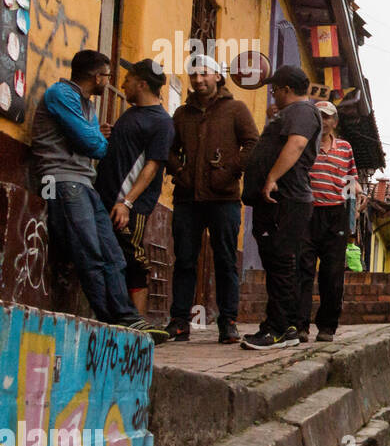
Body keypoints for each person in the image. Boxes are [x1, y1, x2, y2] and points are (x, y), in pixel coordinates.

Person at [30, 49, 167, 339]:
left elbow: (95, 140)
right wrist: (101, 141)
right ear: (97, 76)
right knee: (89, 250)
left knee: (113, 253)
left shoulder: (88, 106)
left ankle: (127, 317)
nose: (111, 81)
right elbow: (94, 144)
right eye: (107, 76)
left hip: (84, 183)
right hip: (62, 180)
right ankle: (110, 319)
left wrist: (100, 139)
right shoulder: (61, 95)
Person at [166, 54, 259, 344]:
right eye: (193, 75)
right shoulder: (182, 114)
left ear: (218, 76)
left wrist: (230, 172)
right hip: (187, 199)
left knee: (225, 261)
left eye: (204, 74)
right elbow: (167, 148)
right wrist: (180, 172)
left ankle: (228, 322)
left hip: (224, 199)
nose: (198, 80)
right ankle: (180, 322)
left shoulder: (236, 109)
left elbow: (253, 143)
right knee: (184, 261)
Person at [240, 66, 321, 350]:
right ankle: (285, 327)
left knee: (282, 262)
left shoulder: (302, 111)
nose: (273, 93)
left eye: (276, 88)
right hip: (279, 200)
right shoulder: (291, 113)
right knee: (277, 263)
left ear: (286, 89)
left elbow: (297, 144)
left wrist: (272, 177)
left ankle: (275, 329)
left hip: (285, 199)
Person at [94, 59, 175, 316]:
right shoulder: (132, 113)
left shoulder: (162, 122)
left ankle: (136, 325)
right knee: (107, 257)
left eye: (128, 80)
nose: (123, 83)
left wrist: (127, 202)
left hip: (128, 206)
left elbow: (152, 166)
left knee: (132, 259)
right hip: (106, 199)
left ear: (141, 84)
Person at [296, 100, 363, 344]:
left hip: (336, 215)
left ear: (335, 122)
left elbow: (350, 179)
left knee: (332, 274)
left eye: (328, 117)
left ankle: (327, 327)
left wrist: (356, 198)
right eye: (319, 116)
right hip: (308, 213)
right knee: (303, 270)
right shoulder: (303, 145)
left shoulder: (345, 148)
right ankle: (300, 326)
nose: (323, 122)